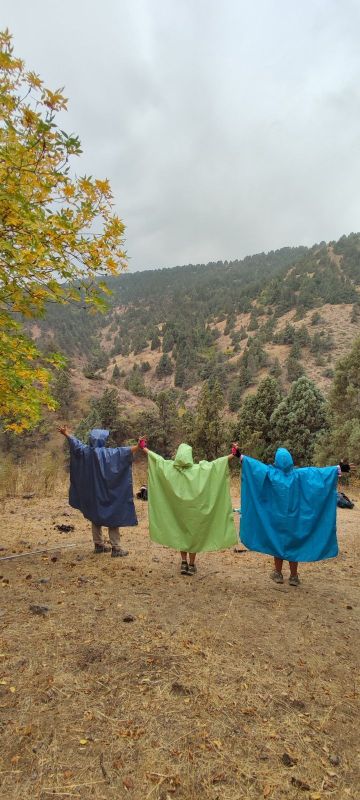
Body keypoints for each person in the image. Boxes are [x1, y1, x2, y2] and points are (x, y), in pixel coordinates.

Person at [238, 447, 339, 586]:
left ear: (276, 461)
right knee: (293, 545)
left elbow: (254, 467)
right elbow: (319, 474)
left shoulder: (271, 474)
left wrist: (239, 455)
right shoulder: (299, 476)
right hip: (294, 520)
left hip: (276, 520)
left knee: (277, 542)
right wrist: (338, 468)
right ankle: (293, 576)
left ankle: (278, 573)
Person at [139, 441, 238, 575]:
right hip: (194, 513)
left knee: (181, 534)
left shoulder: (169, 468)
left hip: (178, 513)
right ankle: (191, 564)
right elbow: (216, 464)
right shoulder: (199, 470)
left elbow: (157, 460)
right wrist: (233, 453)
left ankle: (184, 562)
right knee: (193, 536)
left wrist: (144, 448)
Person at [58, 426, 140, 557]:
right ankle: (116, 548)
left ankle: (98, 544)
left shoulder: (86, 452)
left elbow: (76, 443)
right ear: (103, 440)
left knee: (95, 515)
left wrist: (66, 433)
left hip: (93, 493)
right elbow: (125, 452)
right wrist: (138, 446)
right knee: (112, 516)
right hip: (108, 493)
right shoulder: (109, 453)